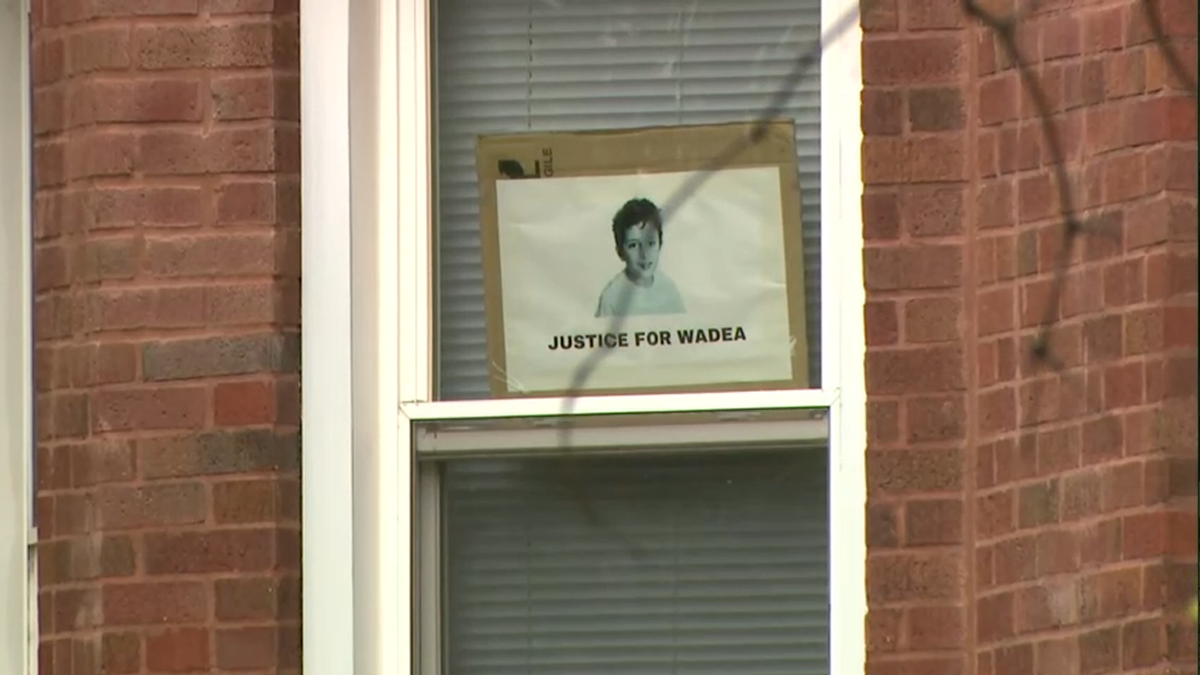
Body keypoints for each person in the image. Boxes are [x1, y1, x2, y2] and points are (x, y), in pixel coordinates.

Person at [594, 198, 686, 318]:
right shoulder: (612, 298)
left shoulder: (669, 289)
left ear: (660, 244)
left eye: (650, 243)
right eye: (633, 245)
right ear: (620, 252)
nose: (644, 254)